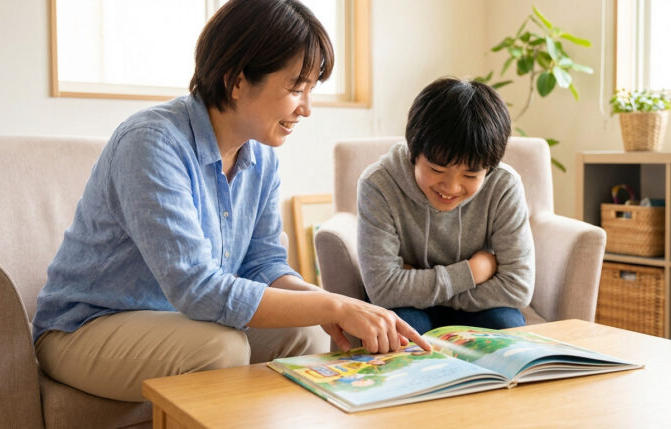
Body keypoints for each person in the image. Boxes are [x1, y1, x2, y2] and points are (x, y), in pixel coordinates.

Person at [32, 0, 428, 403]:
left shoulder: (262, 157)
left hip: (183, 319)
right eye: (295, 88)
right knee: (221, 348)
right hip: (85, 327)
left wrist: (338, 306)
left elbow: (262, 265)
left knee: (307, 329)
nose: (306, 109)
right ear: (237, 80)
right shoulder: (152, 143)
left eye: (311, 90)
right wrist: (333, 306)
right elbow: (198, 288)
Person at [356, 77, 535, 334]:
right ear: (413, 153)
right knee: (402, 335)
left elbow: (518, 288)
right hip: (412, 307)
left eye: (471, 176)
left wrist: (416, 282)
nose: (451, 188)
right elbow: (383, 289)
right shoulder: (378, 184)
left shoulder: (504, 186)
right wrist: (473, 272)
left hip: (475, 304)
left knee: (506, 328)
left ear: (489, 169)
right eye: (437, 170)